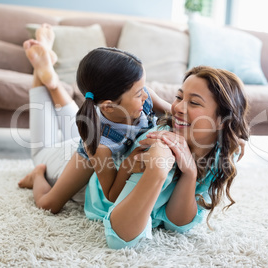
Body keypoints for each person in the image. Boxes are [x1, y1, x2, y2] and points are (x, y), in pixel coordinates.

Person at [83, 65, 250, 249]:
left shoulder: (223, 152)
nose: (177, 107)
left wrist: (190, 173)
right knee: (51, 191)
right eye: (179, 97)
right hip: (90, 182)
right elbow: (119, 239)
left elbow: (177, 224)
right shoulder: (156, 145)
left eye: (193, 102)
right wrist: (156, 172)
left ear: (222, 121)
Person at [18, 24, 171, 213]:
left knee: (84, 128)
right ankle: (40, 69)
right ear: (108, 105)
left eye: (143, 88)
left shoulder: (138, 99)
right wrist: (129, 163)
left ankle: (52, 80)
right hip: (63, 160)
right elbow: (112, 194)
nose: (146, 96)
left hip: (85, 134)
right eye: (139, 93)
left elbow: (176, 114)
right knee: (50, 203)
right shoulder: (99, 146)